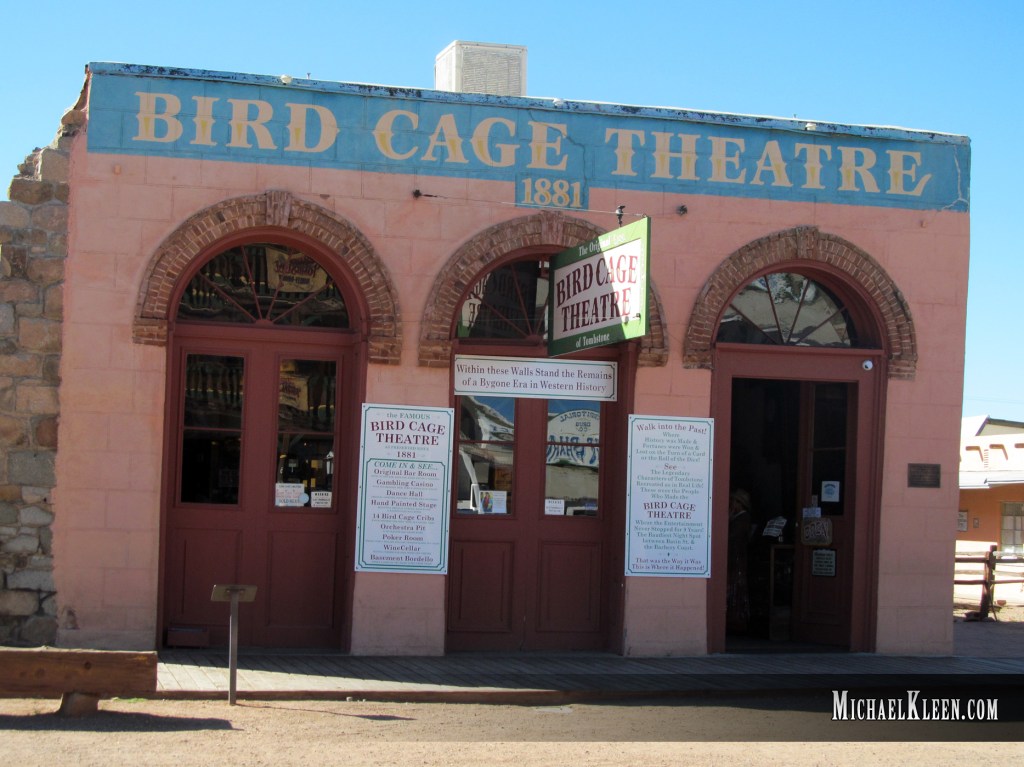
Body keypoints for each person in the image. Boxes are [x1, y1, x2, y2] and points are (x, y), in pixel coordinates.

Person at [727, 489, 753, 633]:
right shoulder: (736, 518)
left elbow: (733, 538)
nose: (731, 504)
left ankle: (737, 621)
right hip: (736, 557)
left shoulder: (742, 519)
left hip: (737, 557)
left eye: (734, 501)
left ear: (739, 503)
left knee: (737, 586)